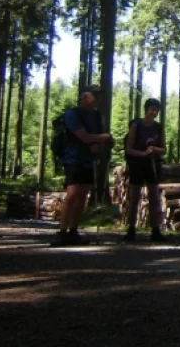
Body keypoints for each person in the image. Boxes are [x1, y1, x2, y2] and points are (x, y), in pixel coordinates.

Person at [52, 84, 113, 247]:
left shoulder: (97, 116)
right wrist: (103, 137)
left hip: (88, 160)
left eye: (99, 96)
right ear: (85, 97)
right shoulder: (72, 114)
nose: (98, 99)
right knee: (72, 194)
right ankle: (62, 232)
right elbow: (84, 137)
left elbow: (97, 141)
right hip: (73, 159)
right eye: (95, 95)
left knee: (83, 194)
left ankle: (73, 231)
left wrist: (100, 145)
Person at [123, 98, 168, 242]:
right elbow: (129, 149)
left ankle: (155, 230)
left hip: (153, 165)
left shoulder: (158, 127)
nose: (154, 112)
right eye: (152, 109)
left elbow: (164, 149)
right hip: (137, 164)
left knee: (154, 197)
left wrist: (154, 150)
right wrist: (143, 154)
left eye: (156, 110)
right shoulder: (136, 125)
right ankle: (131, 230)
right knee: (134, 198)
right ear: (146, 109)